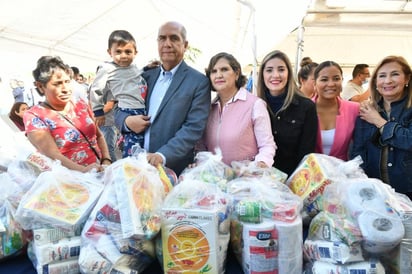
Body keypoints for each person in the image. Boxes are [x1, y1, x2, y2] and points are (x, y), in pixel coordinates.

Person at [115, 21, 211, 176]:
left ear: (185, 45)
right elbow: (119, 110)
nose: (167, 44)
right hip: (135, 167)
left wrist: (162, 155)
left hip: (172, 171)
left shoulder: (198, 82)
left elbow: (193, 128)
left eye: (174, 38)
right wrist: (127, 122)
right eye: (162, 38)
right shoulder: (145, 76)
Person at [24, 56, 111, 172]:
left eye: (67, 82)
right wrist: (83, 170)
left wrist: (106, 159)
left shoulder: (80, 104)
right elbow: (53, 155)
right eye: (57, 84)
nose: (65, 89)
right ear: (40, 86)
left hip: (99, 172)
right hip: (71, 181)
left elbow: (99, 136)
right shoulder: (34, 116)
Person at [199, 52, 276, 167]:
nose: (218, 75)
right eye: (213, 71)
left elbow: (267, 145)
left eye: (224, 69)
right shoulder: (208, 108)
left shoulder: (255, 105)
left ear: (237, 73)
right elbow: (201, 146)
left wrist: (259, 165)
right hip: (213, 180)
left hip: (245, 180)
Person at [350, 55, 412, 198]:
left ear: (407, 79)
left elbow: (409, 141)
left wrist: (379, 121)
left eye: (395, 74)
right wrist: (361, 186)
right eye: (382, 76)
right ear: (375, 82)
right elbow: (358, 153)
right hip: (375, 194)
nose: (388, 81)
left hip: (408, 192)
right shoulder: (366, 111)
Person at [256, 50, 318, 176]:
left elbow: (306, 154)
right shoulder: (254, 106)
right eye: (269, 70)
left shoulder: (306, 107)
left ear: (289, 73)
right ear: (262, 74)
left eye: (281, 69)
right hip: (260, 181)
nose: (275, 75)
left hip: (292, 182)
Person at [89, 30, 148, 158]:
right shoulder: (106, 68)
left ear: (135, 53)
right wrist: (98, 112)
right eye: (118, 52)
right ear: (110, 52)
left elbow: (138, 75)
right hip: (129, 109)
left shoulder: (133, 67)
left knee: (145, 145)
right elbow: (96, 90)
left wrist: (148, 68)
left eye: (128, 52)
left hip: (143, 109)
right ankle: (130, 168)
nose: (123, 56)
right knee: (133, 146)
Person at [313, 61, 359, 161]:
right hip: (310, 171)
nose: (331, 84)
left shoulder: (354, 109)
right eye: (324, 79)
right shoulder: (304, 109)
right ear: (314, 83)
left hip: (342, 172)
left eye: (336, 79)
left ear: (342, 80)